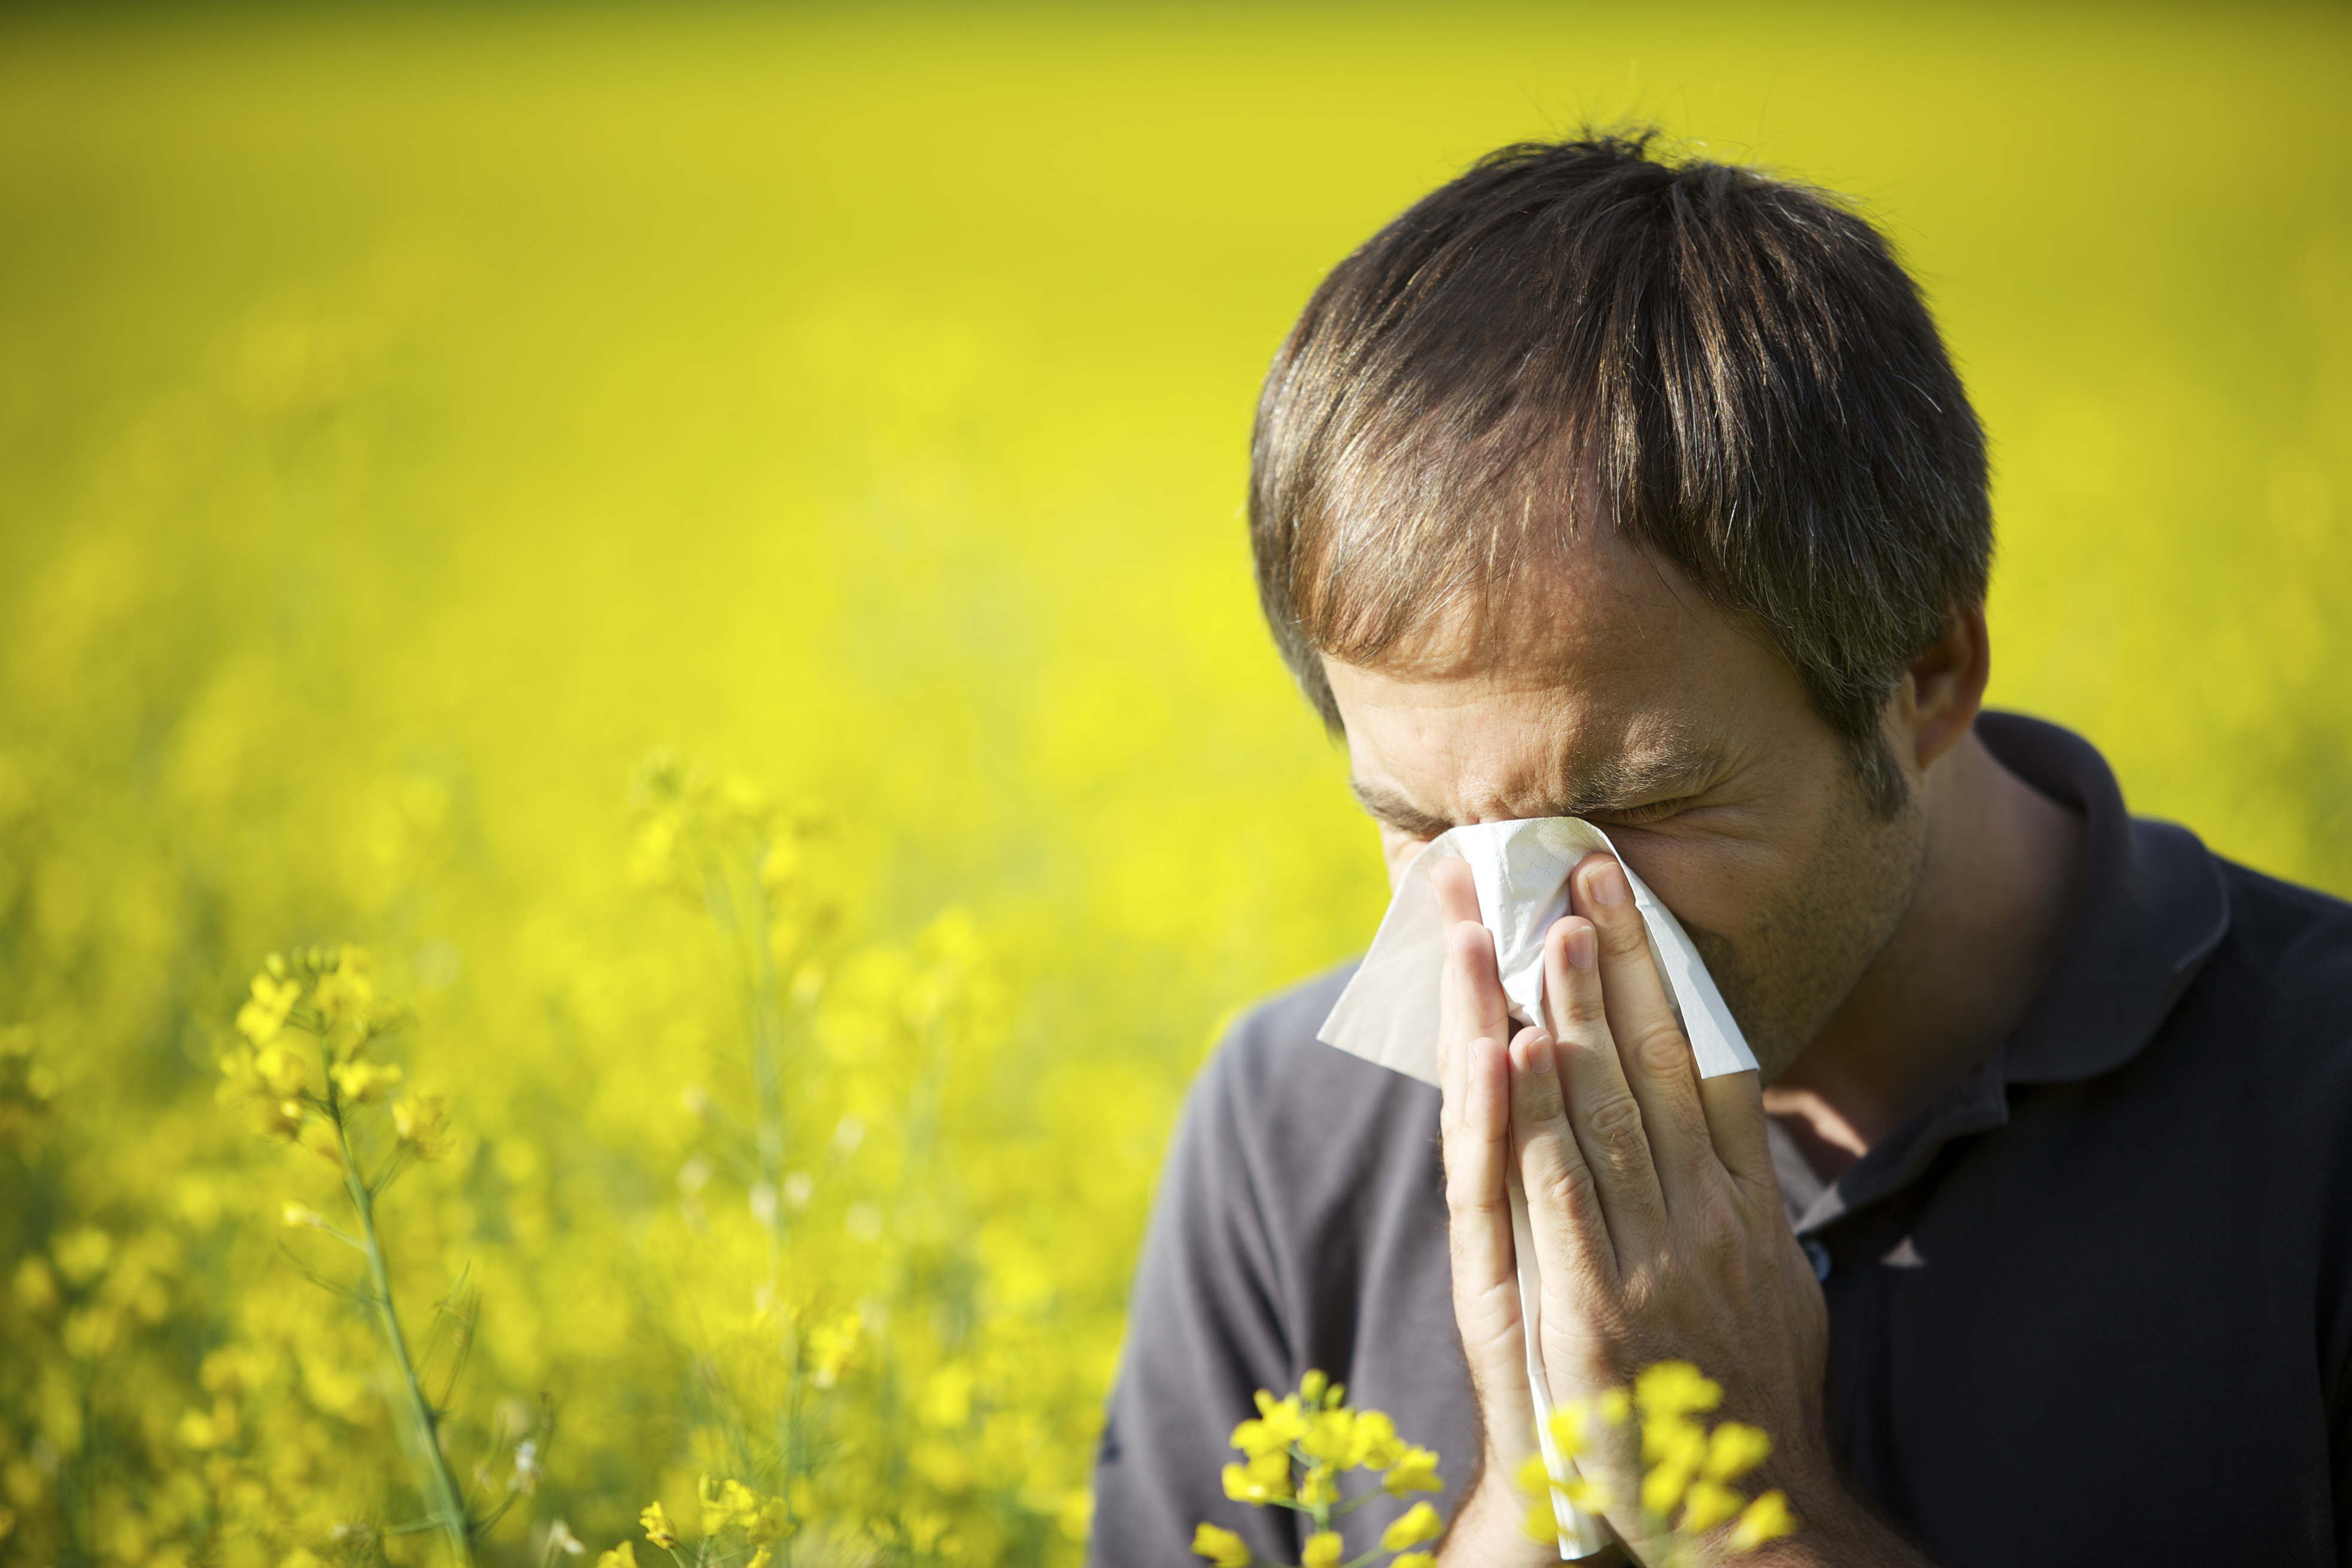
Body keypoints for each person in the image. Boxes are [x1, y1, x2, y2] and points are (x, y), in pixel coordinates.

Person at [1088, 133, 2352, 1567]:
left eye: (1635, 810)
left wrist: (1741, 1518)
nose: (1531, 946)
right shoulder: (1287, 1139)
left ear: (1926, 671)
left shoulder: (2317, 1119)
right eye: (1421, 824)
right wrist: (1529, 1509)